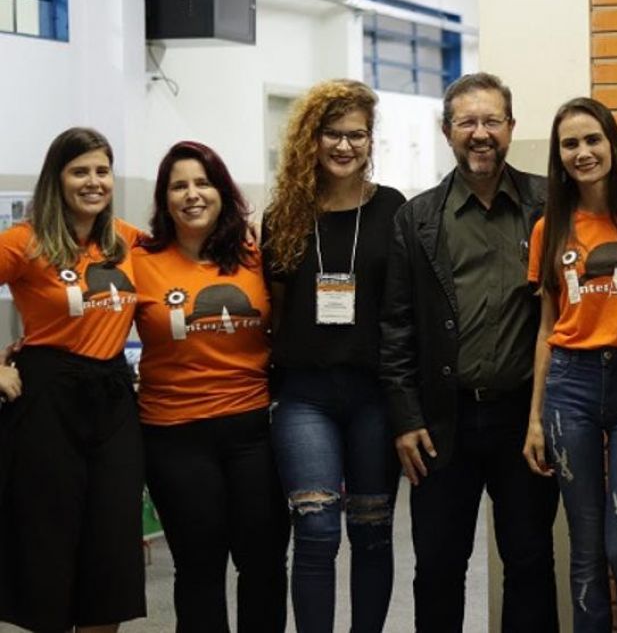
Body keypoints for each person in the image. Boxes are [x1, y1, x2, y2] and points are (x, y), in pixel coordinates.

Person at [380, 72, 560, 632]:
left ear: (511, 127)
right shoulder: (417, 218)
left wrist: (548, 411)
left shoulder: (548, 205)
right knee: (437, 565)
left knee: (530, 561)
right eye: (467, 122)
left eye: (491, 121)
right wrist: (406, 419)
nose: (480, 134)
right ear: (446, 131)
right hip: (442, 419)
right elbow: (397, 326)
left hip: (522, 418)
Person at [522, 97, 617, 632]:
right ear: (559, 156)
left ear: (613, 145)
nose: (583, 152)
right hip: (571, 387)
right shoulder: (549, 229)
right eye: (570, 144)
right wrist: (536, 418)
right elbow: (546, 326)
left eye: (592, 140)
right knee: (584, 547)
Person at [262, 79, 406, 633]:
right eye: (332, 134)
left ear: (371, 142)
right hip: (305, 396)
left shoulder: (394, 210)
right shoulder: (285, 217)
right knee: (317, 531)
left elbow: (400, 310)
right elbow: (276, 310)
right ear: (311, 139)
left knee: (372, 530)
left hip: (374, 395)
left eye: (357, 135)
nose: (344, 146)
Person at [133, 141, 290, 632]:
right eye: (179, 185)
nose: (192, 194)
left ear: (222, 191)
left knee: (263, 564)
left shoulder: (252, 253)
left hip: (252, 431)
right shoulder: (138, 258)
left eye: (202, 183)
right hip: (174, 434)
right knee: (199, 569)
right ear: (164, 199)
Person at [0, 127, 146, 632]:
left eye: (101, 171)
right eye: (79, 171)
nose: (93, 181)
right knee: (48, 546)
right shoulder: (25, 242)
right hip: (45, 401)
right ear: (56, 179)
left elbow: (190, 255)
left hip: (112, 399)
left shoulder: (125, 240)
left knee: (110, 548)